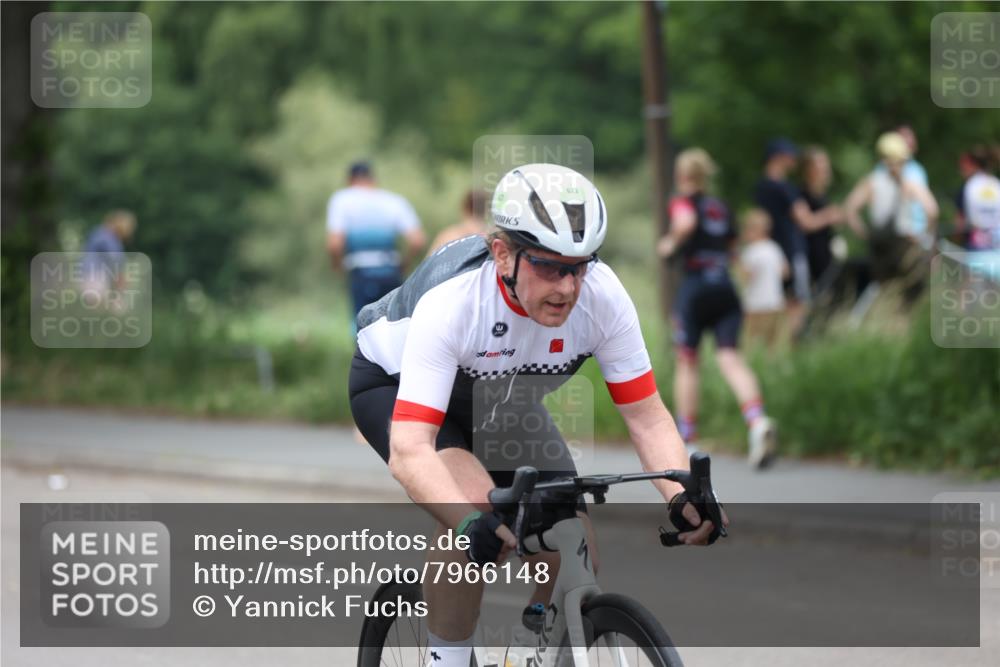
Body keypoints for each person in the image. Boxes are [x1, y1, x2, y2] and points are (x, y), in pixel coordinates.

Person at [349, 164, 725, 667]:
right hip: (396, 388)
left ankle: (529, 653)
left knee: (570, 533)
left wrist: (682, 496)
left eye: (579, 266)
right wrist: (466, 524)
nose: (567, 286)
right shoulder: (455, 305)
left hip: (502, 400)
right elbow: (412, 450)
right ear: (503, 253)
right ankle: (448, 659)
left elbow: (646, 416)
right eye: (549, 266)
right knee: (479, 511)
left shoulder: (603, 297)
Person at [657, 148, 777, 468]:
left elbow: (684, 223)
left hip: (695, 288)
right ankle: (757, 421)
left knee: (687, 361)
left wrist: (669, 243)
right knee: (730, 357)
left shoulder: (683, 201)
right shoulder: (720, 207)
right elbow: (733, 251)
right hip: (725, 287)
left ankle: (687, 437)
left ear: (683, 176)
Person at [754, 138, 840, 338]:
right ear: (778, 158)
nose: (793, 161)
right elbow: (806, 221)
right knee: (797, 304)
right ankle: (794, 347)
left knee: (778, 302)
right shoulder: (785, 188)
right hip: (792, 251)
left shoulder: (761, 188)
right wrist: (831, 215)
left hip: (773, 252)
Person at [326, 161, 426, 331]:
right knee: (393, 327)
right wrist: (405, 264)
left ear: (350, 180)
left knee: (363, 329)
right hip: (391, 272)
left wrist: (338, 266)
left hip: (361, 273)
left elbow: (335, 244)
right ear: (373, 179)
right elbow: (417, 240)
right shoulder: (394, 200)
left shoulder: (342, 199)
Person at [844, 132, 939, 294]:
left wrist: (866, 234)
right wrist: (924, 236)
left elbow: (849, 210)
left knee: (886, 295)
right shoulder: (910, 184)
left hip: (879, 248)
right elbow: (933, 211)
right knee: (909, 296)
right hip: (906, 245)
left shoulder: (871, 182)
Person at [738, 208, 789, 350]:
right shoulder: (774, 248)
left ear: (755, 230)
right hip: (775, 302)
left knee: (749, 341)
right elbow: (785, 272)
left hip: (754, 304)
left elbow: (746, 276)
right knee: (772, 342)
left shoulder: (751, 251)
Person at [799, 146, 844, 290]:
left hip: (826, 249)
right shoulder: (801, 195)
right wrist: (829, 215)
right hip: (812, 252)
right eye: (820, 165)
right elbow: (806, 223)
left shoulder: (823, 195)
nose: (825, 170)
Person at [81, 209, 136, 304]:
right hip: (95, 277)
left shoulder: (99, 233)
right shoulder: (107, 237)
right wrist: (120, 277)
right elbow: (114, 259)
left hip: (90, 275)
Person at [954, 146, 1000, 252]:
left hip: (975, 246)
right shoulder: (996, 184)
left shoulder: (968, 186)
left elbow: (959, 224)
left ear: (972, 164)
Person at [427, 190, 489, 255]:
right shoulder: (491, 240)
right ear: (486, 210)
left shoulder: (447, 236)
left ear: (464, 208)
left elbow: (429, 262)